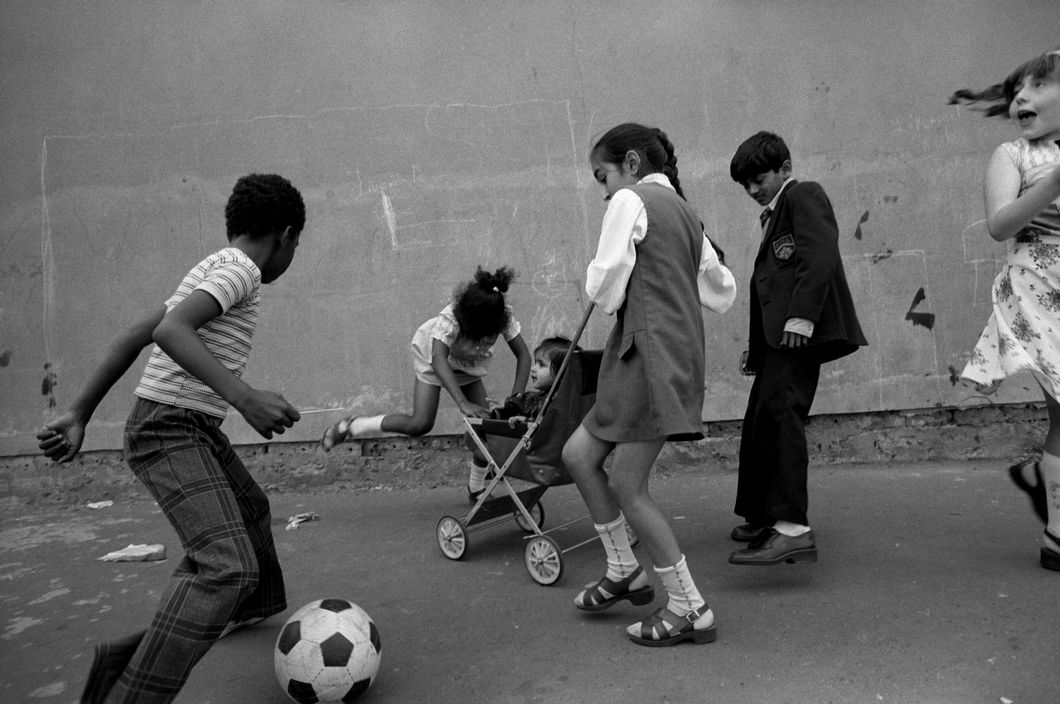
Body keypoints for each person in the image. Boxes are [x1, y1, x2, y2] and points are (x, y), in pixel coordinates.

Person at [36, 173, 306, 703]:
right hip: (168, 429)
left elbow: (136, 332)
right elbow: (169, 332)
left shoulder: (215, 264)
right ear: (287, 236)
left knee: (251, 509)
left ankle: (243, 605)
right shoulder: (243, 270)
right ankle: (130, 689)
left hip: (188, 426)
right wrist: (243, 396)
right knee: (227, 566)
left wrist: (78, 412)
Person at [561, 122, 736, 647]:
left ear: (632, 164)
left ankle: (689, 607)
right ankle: (623, 570)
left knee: (628, 486)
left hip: (650, 356)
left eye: (603, 176)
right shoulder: (683, 210)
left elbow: (605, 279)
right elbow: (719, 288)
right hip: (649, 352)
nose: (603, 190)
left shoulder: (632, 200)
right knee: (578, 455)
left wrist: (607, 286)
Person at [727, 131, 867, 567]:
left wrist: (801, 317)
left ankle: (792, 529)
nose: (753, 190)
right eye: (745, 184)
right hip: (778, 341)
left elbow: (820, 256)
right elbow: (767, 286)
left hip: (797, 334)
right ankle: (765, 514)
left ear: (785, 168)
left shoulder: (803, 195)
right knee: (760, 421)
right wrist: (756, 349)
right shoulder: (774, 212)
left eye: (759, 178)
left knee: (782, 418)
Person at [950, 48, 1060, 572]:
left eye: (1038, 85)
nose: (1021, 95)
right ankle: (1058, 534)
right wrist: (1054, 183)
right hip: (1038, 288)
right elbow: (999, 225)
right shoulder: (1013, 156)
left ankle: (1047, 488)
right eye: (1018, 89)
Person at [319, 266, 531, 502]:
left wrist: (516, 401)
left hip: (467, 364)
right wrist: (461, 402)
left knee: (485, 426)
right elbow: (438, 359)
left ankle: (476, 488)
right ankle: (353, 426)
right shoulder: (451, 318)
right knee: (420, 423)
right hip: (432, 357)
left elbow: (524, 356)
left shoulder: (502, 317)